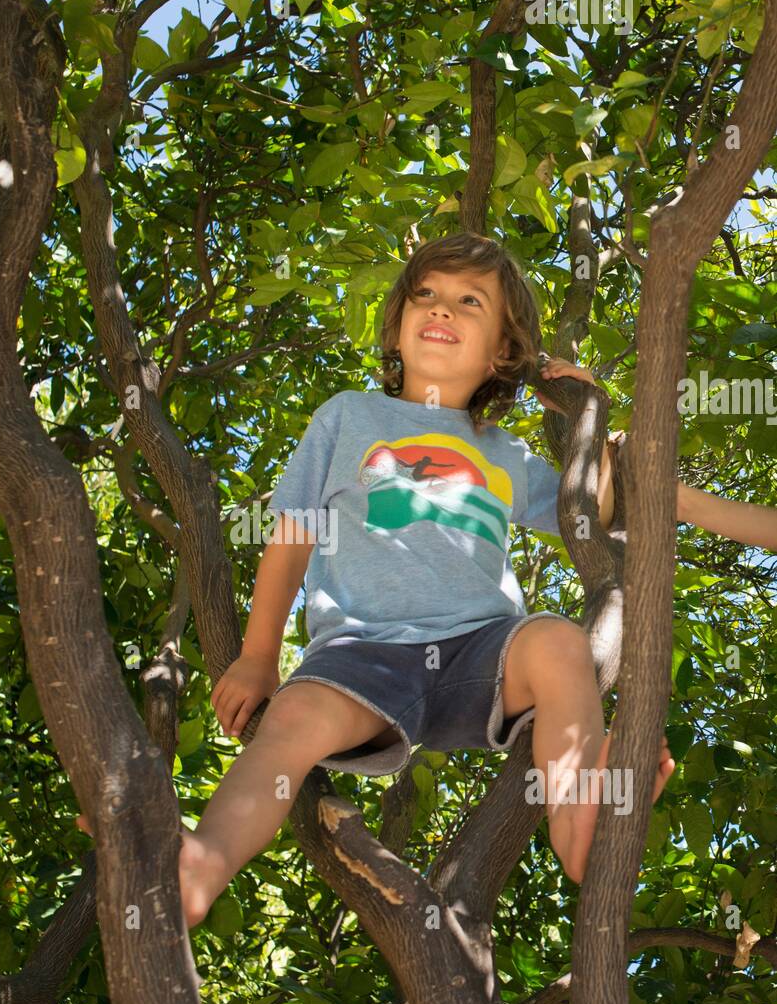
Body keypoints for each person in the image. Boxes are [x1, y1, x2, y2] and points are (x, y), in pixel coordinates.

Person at [80, 232, 773, 926]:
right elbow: (291, 534)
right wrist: (259, 655)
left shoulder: (506, 454)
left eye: (469, 301)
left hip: (481, 650)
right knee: (291, 723)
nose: (440, 308)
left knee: (561, 643)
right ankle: (200, 864)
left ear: (503, 350)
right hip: (362, 651)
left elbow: (619, 507)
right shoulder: (348, 416)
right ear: (397, 324)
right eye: (425, 295)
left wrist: (587, 415)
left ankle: (580, 826)